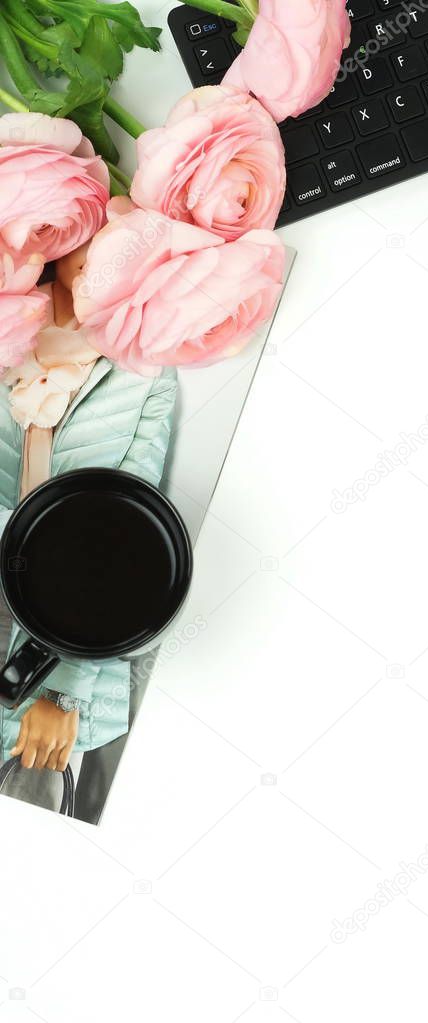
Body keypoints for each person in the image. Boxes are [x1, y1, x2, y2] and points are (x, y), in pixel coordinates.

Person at [0, 242, 177, 811]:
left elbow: (128, 545)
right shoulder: (7, 328)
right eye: (97, 247)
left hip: (61, 648)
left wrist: (63, 687)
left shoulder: (144, 375)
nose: (108, 266)